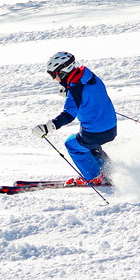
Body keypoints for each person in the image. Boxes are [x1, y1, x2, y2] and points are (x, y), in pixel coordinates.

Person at [32, 52, 117, 186]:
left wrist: (48, 127)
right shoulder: (89, 76)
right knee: (89, 145)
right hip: (111, 127)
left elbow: (69, 114)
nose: (54, 79)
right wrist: (68, 90)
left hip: (96, 132)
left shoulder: (75, 89)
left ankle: (94, 177)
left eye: (53, 74)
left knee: (72, 144)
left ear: (62, 71)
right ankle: (110, 170)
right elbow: (87, 92)